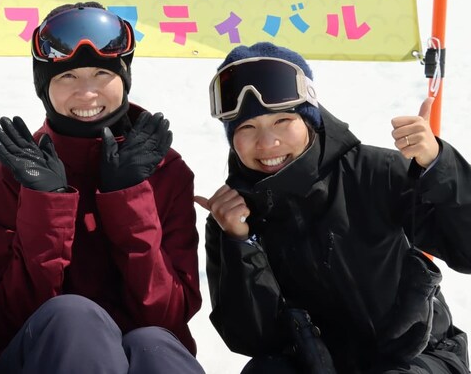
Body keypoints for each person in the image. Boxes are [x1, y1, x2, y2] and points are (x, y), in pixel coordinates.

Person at [198, 41, 471, 373]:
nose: (268, 143)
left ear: (309, 120)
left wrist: (437, 165)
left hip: (417, 356)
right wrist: (241, 243)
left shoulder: (375, 172)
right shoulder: (231, 216)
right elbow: (252, 341)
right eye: (247, 127)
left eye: (283, 120)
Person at [0, 2, 205, 374]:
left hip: (141, 352)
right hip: (39, 353)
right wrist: (46, 203)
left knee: (155, 344)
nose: (87, 93)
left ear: (124, 77)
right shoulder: (19, 169)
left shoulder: (165, 170)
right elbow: (12, 313)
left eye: (101, 73)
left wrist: (128, 198)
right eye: (67, 76)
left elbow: (168, 315)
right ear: (43, 86)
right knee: (74, 317)